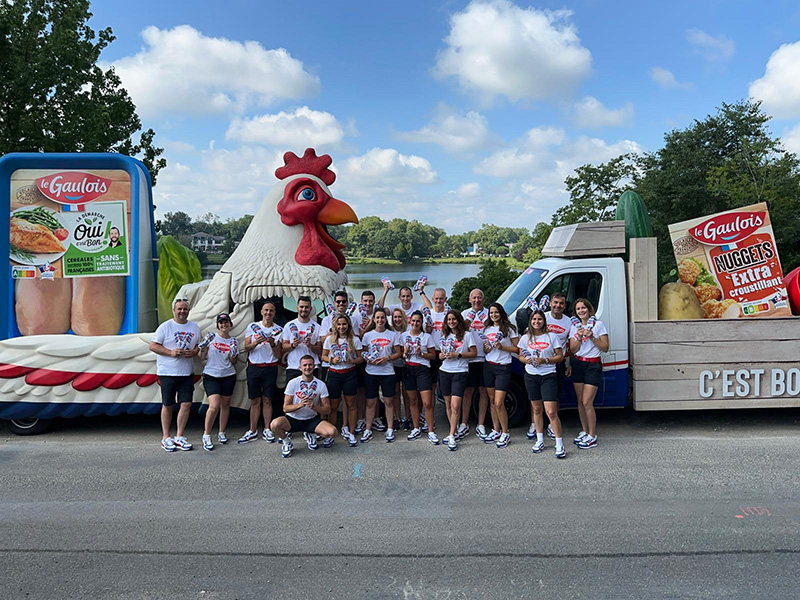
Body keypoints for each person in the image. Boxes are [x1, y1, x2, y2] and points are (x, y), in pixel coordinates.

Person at [149, 298, 200, 452]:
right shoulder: (165, 327)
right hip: (167, 372)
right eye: (179, 309)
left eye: (185, 309)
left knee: (186, 404)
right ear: (174, 310)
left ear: (189, 310)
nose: (182, 311)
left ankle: (179, 435)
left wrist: (194, 352)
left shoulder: (194, 327)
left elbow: (198, 346)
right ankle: (166, 437)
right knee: (168, 404)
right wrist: (170, 352)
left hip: (186, 372)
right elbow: (153, 346)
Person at [518, 310, 566, 458]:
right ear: (530, 321)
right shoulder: (526, 338)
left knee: (551, 411)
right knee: (537, 410)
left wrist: (545, 360)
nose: (536, 322)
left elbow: (560, 356)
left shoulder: (552, 336)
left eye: (539, 319)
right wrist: (526, 360)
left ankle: (559, 443)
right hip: (531, 376)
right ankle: (539, 440)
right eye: (534, 319)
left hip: (548, 375)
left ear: (544, 321)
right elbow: (520, 355)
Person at [270, 355, 338, 458]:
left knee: (333, 432)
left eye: (310, 365)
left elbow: (327, 409)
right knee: (274, 425)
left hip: (311, 420)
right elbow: (285, 408)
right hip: (293, 419)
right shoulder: (293, 383)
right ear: (300, 368)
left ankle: (310, 433)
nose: (307, 367)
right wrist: (300, 405)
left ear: (314, 366)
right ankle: (287, 442)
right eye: (305, 365)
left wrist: (314, 407)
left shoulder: (320, 384)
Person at [239, 301, 282, 444]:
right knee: (254, 400)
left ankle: (267, 429)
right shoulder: (253, 327)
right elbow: (247, 348)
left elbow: (278, 354)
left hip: (270, 367)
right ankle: (252, 430)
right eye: (266, 310)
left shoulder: (279, 330)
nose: (268, 313)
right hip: (254, 367)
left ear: (274, 313)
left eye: (271, 311)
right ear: (262, 312)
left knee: (268, 400)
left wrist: (272, 343)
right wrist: (256, 342)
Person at [568, 298, 609, 449]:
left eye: (583, 308)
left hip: (593, 365)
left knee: (587, 402)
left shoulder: (598, 325)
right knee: (580, 401)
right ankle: (585, 431)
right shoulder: (574, 327)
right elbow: (572, 350)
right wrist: (578, 337)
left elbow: (605, 347)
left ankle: (592, 435)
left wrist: (592, 336)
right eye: (578, 309)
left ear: (589, 308)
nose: (581, 311)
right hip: (578, 364)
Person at [361, 307, 403, 442]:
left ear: (386, 319)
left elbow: (398, 353)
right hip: (371, 372)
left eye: (382, 317)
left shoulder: (392, 335)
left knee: (388, 401)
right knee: (371, 402)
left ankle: (390, 429)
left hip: (388, 372)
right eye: (377, 317)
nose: (380, 320)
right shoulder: (367, 335)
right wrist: (368, 358)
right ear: (374, 319)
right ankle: (368, 429)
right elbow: (362, 352)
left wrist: (387, 358)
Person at [321, 315, 364, 447]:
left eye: (344, 324)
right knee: (333, 406)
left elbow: (361, 358)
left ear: (348, 325)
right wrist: (331, 360)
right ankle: (331, 434)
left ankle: (351, 433)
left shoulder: (354, 339)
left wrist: (352, 360)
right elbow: (323, 356)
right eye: (339, 324)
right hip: (334, 374)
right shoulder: (329, 339)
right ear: (335, 326)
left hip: (349, 373)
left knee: (351, 405)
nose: (341, 327)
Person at [437, 310, 477, 451]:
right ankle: (453, 431)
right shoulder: (444, 335)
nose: (451, 322)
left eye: (453, 319)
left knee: (455, 405)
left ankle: (452, 435)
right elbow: (439, 354)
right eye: (449, 319)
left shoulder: (467, 335)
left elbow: (474, 353)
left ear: (459, 320)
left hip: (460, 372)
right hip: (444, 371)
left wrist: (458, 354)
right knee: (448, 404)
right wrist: (442, 356)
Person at [198, 313, 238, 451]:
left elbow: (233, 361)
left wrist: (233, 354)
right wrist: (202, 348)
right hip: (211, 375)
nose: (224, 325)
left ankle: (221, 432)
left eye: (226, 322)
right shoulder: (211, 337)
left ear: (230, 324)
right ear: (217, 325)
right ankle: (207, 434)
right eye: (221, 323)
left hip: (228, 375)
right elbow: (201, 357)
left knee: (225, 405)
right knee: (214, 406)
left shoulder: (233, 341)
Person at [482, 303, 519, 448]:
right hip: (489, 366)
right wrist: (486, 348)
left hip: (503, 367)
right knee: (492, 401)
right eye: (491, 313)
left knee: (499, 402)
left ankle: (505, 432)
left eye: (496, 312)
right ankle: (496, 430)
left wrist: (502, 347)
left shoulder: (509, 329)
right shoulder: (487, 329)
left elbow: (518, 349)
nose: (493, 315)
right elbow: (486, 351)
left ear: (501, 313)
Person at [402, 311, 438, 444]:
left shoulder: (427, 337)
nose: (415, 323)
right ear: (410, 321)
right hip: (408, 369)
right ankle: (416, 428)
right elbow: (401, 354)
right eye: (413, 321)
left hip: (423, 369)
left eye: (418, 321)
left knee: (427, 402)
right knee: (412, 400)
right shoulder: (404, 336)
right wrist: (405, 353)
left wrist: (422, 354)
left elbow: (433, 355)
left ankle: (430, 431)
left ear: (421, 323)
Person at [541, 292, 572, 441]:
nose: (558, 305)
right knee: (536, 396)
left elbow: (570, 345)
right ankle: (536, 423)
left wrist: (568, 363)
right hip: (540, 362)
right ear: (550, 303)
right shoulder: (543, 317)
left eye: (561, 303)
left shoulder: (569, 322)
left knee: (555, 395)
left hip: (558, 363)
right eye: (555, 302)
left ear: (565, 306)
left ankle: (551, 425)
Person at [461, 289, 490, 441]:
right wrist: (470, 317)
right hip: (470, 359)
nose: (477, 300)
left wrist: (483, 317)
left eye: (479, 297)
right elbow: (461, 330)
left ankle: (480, 424)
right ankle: (464, 423)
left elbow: (491, 327)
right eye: (474, 298)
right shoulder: (465, 313)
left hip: (485, 358)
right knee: (468, 392)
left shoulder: (488, 312)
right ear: (469, 299)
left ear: (483, 299)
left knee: (484, 391)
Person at [281, 296, 322, 382]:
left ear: (310, 309)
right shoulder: (288, 326)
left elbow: (320, 350)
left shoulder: (317, 327)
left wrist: (310, 345)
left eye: (306, 307)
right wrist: (293, 345)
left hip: (311, 368)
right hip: (293, 367)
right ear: (297, 308)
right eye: (301, 307)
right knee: (291, 395)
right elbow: (284, 347)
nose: (304, 309)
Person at [389, 308, 410, 430]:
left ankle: (407, 417)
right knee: (395, 393)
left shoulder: (408, 331)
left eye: (399, 317)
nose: (397, 319)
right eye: (395, 317)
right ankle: (397, 418)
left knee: (407, 393)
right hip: (394, 365)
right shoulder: (390, 331)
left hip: (406, 365)